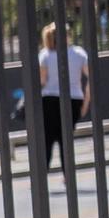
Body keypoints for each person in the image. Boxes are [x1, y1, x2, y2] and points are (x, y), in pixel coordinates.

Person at [38, 21, 92, 175]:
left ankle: (42, 173)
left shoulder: (45, 54)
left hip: (49, 99)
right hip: (73, 99)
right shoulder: (79, 53)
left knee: (47, 139)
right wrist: (85, 102)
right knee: (66, 138)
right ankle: (68, 174)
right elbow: (90, 78)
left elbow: (42, 81)